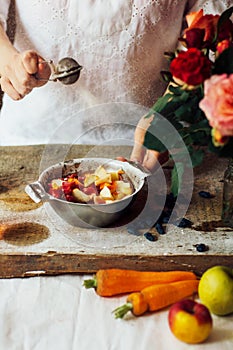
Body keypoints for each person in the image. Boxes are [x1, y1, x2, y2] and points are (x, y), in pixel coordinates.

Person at [0, 1, 231, 170]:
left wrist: (168, 112)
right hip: (26, 148)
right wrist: (9, 61)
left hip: (148, 151)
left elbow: (215, 36)